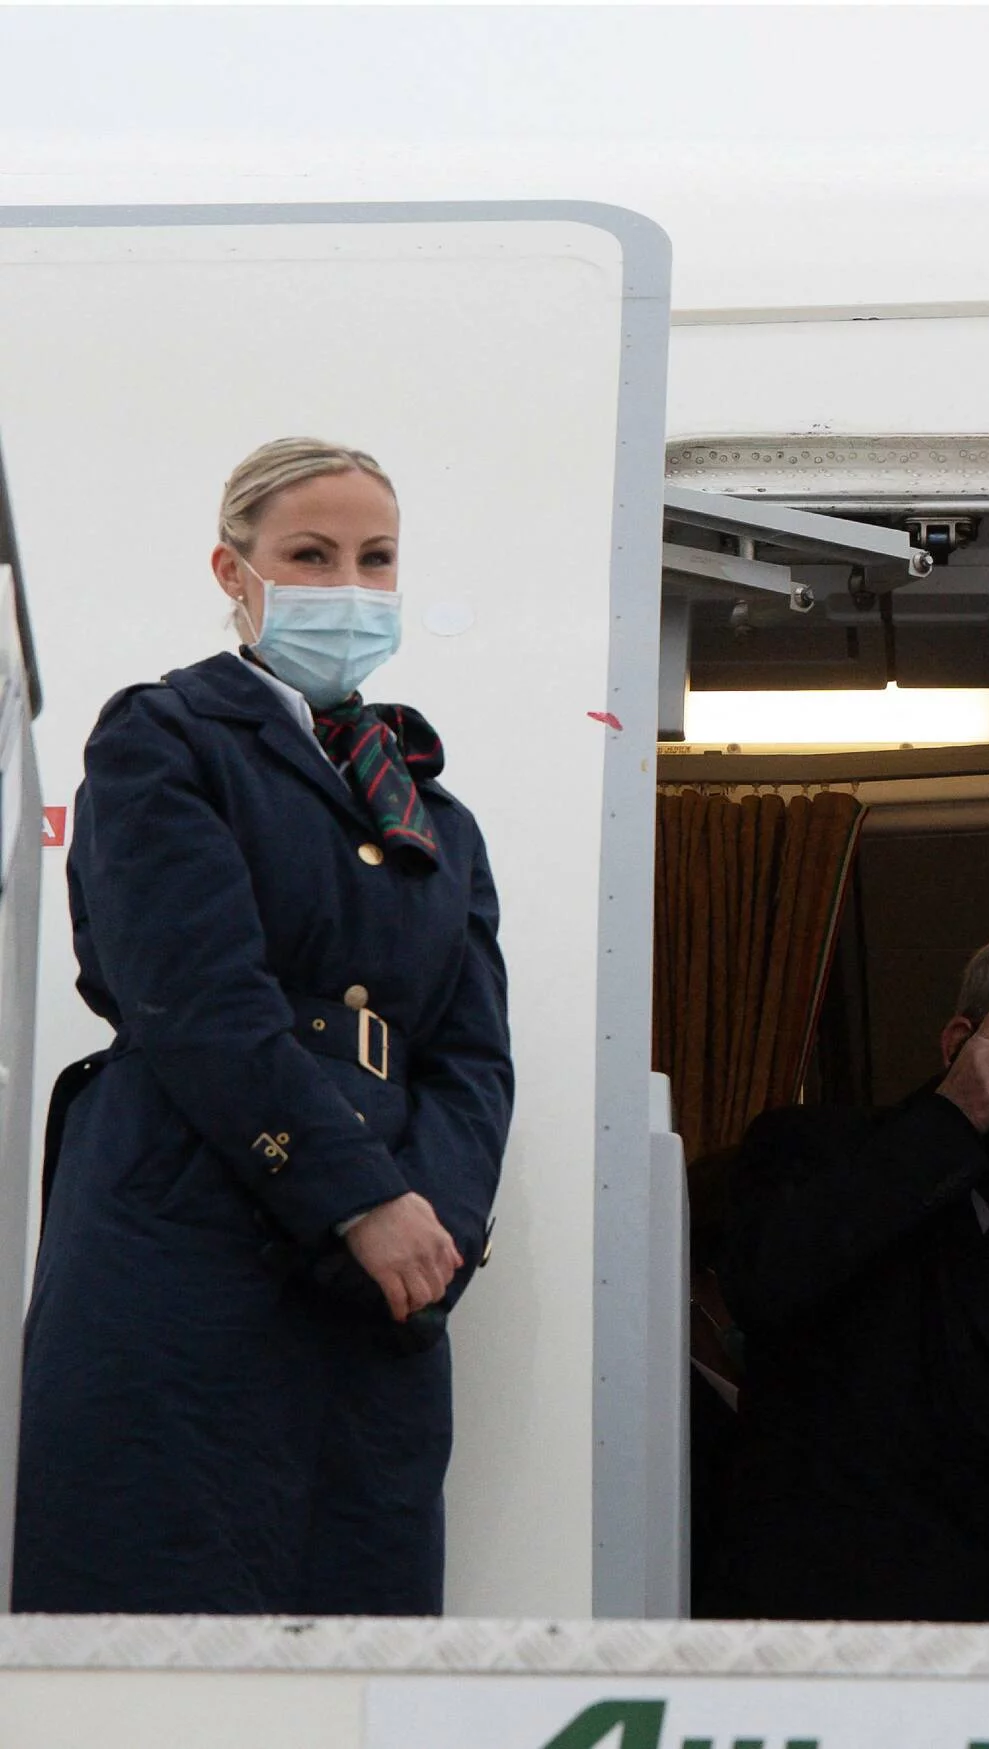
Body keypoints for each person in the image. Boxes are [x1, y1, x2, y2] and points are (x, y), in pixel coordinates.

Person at [16, 438, 512, 1613]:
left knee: (354, 1644)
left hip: (376, 1292)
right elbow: (196, 997)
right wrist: (357, 1198)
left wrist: (431, 1228)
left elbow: (471, 1058)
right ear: (233, 573)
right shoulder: (164, 739)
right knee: (165, 1618)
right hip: (185, 1239)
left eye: (374, 558)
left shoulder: (432, 809)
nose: (346, 585)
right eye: (310, 555)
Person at [711, 935, 989, 1623]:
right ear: (964, 1038)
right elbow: (766, 1281)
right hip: (853, 1635)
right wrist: (952, 1116)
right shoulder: (815, 1147)